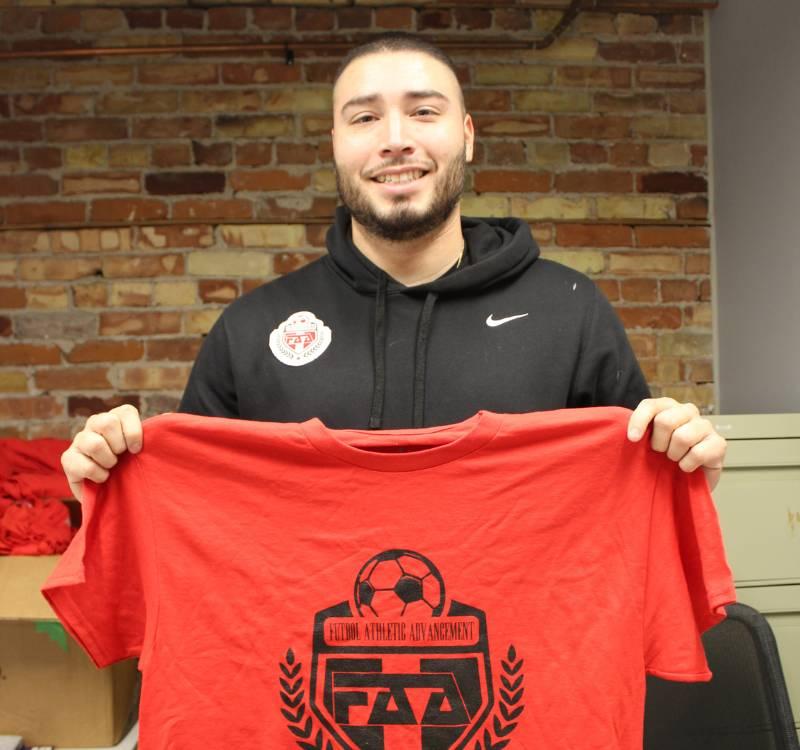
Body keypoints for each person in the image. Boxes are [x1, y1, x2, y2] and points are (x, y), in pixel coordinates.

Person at [61, 33, 726, 501]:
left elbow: (643, 508)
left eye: (423, 111)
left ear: (466, 133)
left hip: (520, 697)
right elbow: (191, 525)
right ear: (335, 146)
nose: (395, 138)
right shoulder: (249, 333)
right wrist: (111, 481)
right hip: (302, 698)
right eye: (364, 118)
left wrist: (688, 466)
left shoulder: (570, 313)